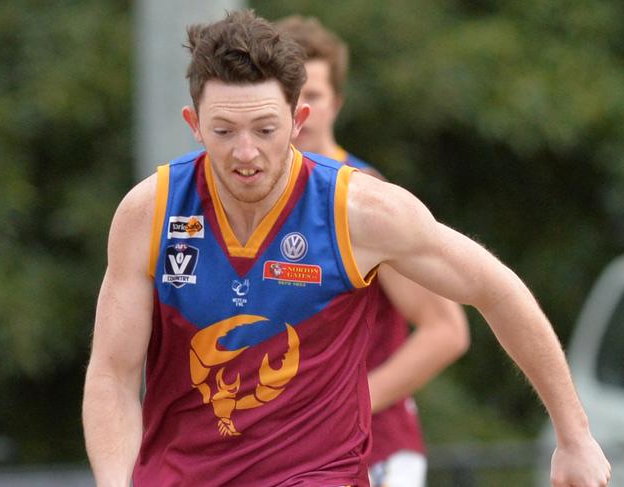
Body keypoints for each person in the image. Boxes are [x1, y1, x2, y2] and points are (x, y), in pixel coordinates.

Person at [82, 10, 611, 487]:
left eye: (265, 129)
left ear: (298, 121)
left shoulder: (360, 210)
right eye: (224, 130)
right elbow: (112, 373)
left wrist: (574, 435)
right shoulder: (150, 212)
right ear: (193, 125)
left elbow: (497, 290)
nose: (246, 153)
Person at [276, 15, 469, 487]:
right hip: (285, 451)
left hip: (374, 450)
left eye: (314, 96)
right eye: (288, 94)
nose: (300, 108)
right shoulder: (247, 197)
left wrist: (350, 398)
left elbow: (447, 330)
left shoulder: (365, 198)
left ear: (337, 103)